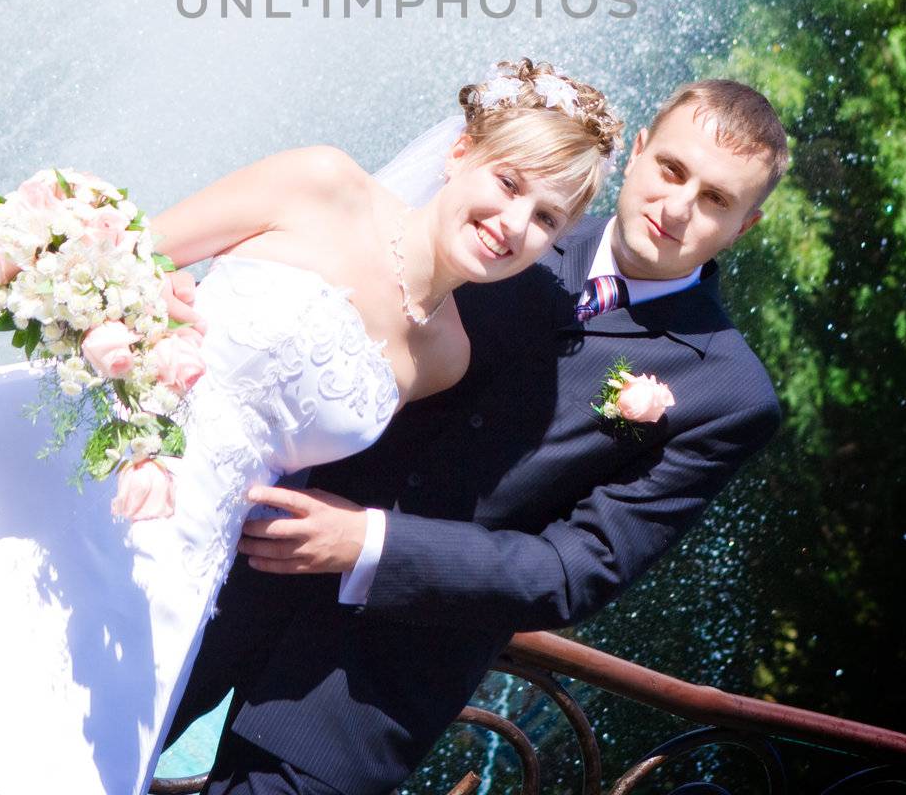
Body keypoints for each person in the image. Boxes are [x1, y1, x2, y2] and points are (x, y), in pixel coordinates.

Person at [0, 59, 620, 795]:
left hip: (175, 570)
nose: (514, 223)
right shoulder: (322, 185)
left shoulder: (447, 357)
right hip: (70, 472)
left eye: (547, 217)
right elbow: (120, 268)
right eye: (509, 183)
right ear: (462, 153)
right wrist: (137, 356)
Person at [164, 77, 787, 795]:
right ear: (639, 152)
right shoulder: (494, 221)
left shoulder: (730, 394)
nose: (677, 207)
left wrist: (371, 545)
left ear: (745, 226)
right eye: (672, 170)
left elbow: (575, 569)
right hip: (220, 575)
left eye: (715, 200)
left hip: (362, 692)